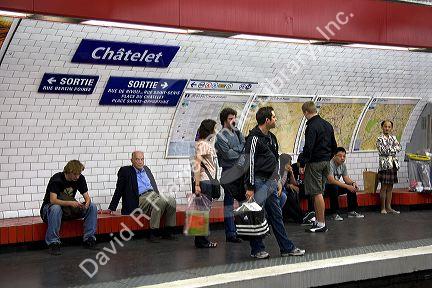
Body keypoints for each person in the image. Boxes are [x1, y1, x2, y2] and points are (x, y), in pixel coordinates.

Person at [245, 106, 305, 259]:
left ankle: (286, 248)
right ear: (267, 120)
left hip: (271, 181)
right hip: (258, 181)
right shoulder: (253, 138)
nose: (275, 119)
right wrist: (250, 187)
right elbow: (249, 164)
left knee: (277, 215)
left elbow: (275, 161)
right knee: (258, 216)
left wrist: (278, 180)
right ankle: (257, 249)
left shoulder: (272, 138)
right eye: (273, 117)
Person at [108, 151, 177, 242]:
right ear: (132, 160)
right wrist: (112, 207)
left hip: (153, 194)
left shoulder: (146, 169)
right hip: (139, 198)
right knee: (159, 203)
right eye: (137, 159)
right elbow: (119, 189)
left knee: (171, 200)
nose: (140, 161)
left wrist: (157, 195)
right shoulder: (126, 171)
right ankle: (153, 233)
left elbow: (153, 186)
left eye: (142, 159)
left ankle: (169, 231)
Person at [40, 160, 98, 255]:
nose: (77, 177)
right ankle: (53, 243)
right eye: (75, 174)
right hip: (49, 211)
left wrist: (86, 204)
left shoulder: (80, 178)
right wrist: (71, 203)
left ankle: (89, 239)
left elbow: (87, 197)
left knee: (92, 206)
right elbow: (53, 200)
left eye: (79, 174)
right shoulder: (57, 179)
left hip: (67, 209)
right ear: (68, 171)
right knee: (56, 208)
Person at [300, 101, 337, 233]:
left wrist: (302, 163)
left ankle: (321, 223)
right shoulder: (327, 125)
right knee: (319, 192)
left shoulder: (311, 126)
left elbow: (308, 147)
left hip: (315, 163)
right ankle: (318, 221)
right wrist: (327, 158)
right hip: (326, 162)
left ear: (306, 112)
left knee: (316, 193)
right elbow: (334, 146)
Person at [215, 107, 244, 243]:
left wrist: (235, 150)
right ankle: (230, 233)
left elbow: (244, 147)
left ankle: (244, 229)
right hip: (228, 171)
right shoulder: (220, 136)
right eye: (230, 119)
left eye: (234, 118)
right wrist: (237, 152)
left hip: (239, 169)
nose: (233, 121)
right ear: (224, 121)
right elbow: (227, 154)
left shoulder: (238, 132)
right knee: (229, 202)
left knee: (243, 200)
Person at [193, 119, 218, 248]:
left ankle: (200, 241)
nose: (215, 131)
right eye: (214, 128)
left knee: (202, 211)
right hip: (203, 181)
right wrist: (197, 184)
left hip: (206, 180)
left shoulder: (204, 143)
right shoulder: (203, 144)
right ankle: (202, 241)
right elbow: (197, 164)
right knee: (203, 212)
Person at [324, 147, 364, 221]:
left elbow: (346, 178)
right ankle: (334, 213)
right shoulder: (329, 164)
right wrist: (347, 186)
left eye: (344, 156)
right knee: (334, 186)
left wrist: (353, 183)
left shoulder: (343, 165)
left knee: (351, 187)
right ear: (334, 156)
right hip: (324, 189)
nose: (342, 158)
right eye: (340, 156)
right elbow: (331, 180)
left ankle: (351, 211)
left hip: (334, 187)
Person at [279, 153, 316, 225]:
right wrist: (289, 185)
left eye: (290, 163)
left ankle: (308, 216)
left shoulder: (290, 170)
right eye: (288, 163)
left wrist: (291, 173)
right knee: (290, 198)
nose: (289, 165)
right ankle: (302, 218)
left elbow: (294, 183)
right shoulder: (278, 171)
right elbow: (281, 183)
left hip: (288, 190)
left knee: (310, 192)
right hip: (283, 190)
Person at [376, 120, 402, 214]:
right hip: (384, 165)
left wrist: (391, 149)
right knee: (384, 187)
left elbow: (399, 147)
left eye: (389, 127)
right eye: (385, 126)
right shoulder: (379, 139)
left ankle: (389, 207)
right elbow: (383, 151)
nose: (387, 128)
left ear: (391, 128)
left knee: (390, 187)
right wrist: (393, 149)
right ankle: (382, 208)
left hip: (393, 164)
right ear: (382, 127)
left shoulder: (393, 137)